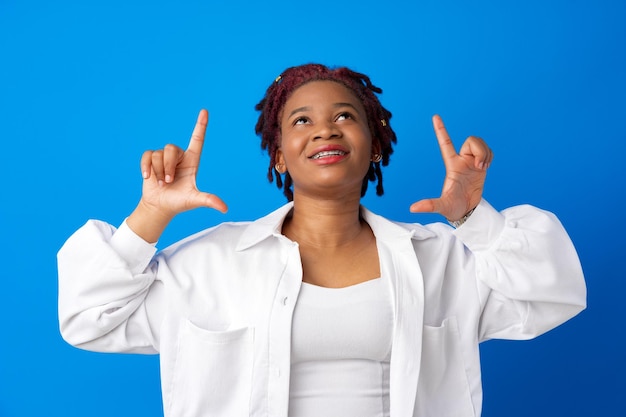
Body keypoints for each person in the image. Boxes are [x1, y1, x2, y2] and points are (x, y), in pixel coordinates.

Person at [57, 63, 586, 417]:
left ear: (374, 146)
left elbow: (550, 298)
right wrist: (150, 214)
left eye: (345, 117)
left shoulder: (442, 258)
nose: (325, 130)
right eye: (302, 120)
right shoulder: (210, 262)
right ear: (280, 156)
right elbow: (87, 319)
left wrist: (475, 218)